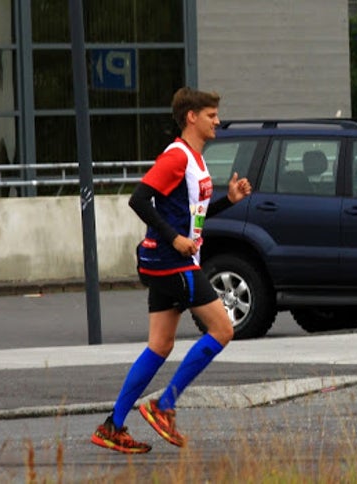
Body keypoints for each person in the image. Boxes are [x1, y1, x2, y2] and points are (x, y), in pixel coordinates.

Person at [90, 87, 252, 454]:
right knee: (223, 328)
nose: (218, 121)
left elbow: (193, 216)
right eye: (211, 115)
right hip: (172, 262)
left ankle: (112, 426)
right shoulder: (177, 156)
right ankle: (163, 406)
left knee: (160, 344)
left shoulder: (195, 159)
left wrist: (230, 200)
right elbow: (138, 198)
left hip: (172, 261)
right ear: (191, 117)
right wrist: (175, 239)